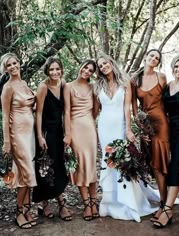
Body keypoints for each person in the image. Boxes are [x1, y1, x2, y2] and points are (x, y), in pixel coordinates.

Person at [94, 53, 160, 223]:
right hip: (104, 127)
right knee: (108, 161)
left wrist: (129, 129)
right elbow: (96, 110)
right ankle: (110, 203)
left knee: (123, 161)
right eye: (100, 66)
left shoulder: (125, 81)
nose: (103, 67)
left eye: (105, 63)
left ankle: (129, 203)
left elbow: (127, 107)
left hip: (120, 126)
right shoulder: (98, 85)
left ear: (111, 62)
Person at [153, 55, 179, 228]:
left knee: (176, 166)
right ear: (172, 68)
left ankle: (168, 210)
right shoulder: (169, 85)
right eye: (176, 67)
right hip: (167, 129)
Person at [32, 57, 72, 221]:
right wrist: (40, 136)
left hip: (58, 131)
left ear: (61, 69)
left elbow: (67, 111)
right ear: (47, 71)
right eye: (51, 70)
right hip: (46, 132)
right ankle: (53, 204)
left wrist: (68, 134)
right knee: (46, 167)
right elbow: (38, 113)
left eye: (57, 69)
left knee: (59, 166)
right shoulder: (43, 87)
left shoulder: (64, 85)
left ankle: (52, 203)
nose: (55, 72)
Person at [131, 49, 169, 221]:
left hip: (161, 124)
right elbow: (133, 106)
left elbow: (169, 101)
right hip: (145, 126)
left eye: (157, 58)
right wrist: (139, 127)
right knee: (151, 164)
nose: (154, 59)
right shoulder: (134, 79)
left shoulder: (161, 77)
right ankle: (163, 199)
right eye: (152, 56)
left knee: (159, 164)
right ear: (145, 57)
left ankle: (164, 204)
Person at [0, 53, 37, 229]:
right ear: (5, 69)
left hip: (30, 135)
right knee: (26, 172)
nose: (13, 66)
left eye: (15, 63)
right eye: (9, 65)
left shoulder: (23, 84)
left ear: (19, 63)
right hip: (17, 135)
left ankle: (27, 209)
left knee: (24, 173)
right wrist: (7, 141)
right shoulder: (7, 88)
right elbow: (5, 116)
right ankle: (19, 212)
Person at [63, 60, 99, 221]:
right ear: (81, 66)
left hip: (90, 130)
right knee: (80, 167)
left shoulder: (93, 88)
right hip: (75, 131)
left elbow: (96, 109)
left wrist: (89, 122)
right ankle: (86, 205)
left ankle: (94, 203)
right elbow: (67, 111)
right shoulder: (68, 86)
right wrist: (68, 134)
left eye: (91, 70)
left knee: (91, 166)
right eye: (86, 67)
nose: (87, 71)